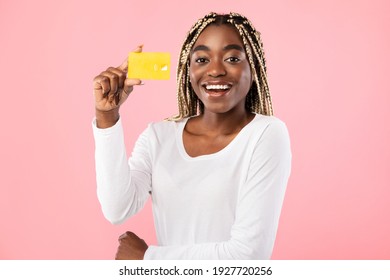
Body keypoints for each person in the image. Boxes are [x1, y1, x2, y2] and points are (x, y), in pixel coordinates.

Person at [92, 12, 291, 260]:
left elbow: (248, 255)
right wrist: (107, 117)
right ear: (188, 70)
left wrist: (148, 259)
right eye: (202, 59)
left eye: (232, 58)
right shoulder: (158, 137)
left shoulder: (266, 134)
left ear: (254, 68)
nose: (216, 70)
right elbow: (117, 208)